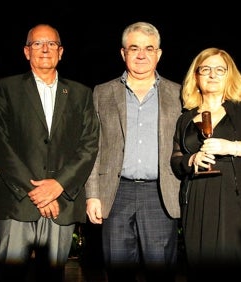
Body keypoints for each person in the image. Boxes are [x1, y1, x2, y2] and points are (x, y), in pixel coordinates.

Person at [0, 24, 99, 282]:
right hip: (18, 202)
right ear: (27, 52)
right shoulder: (6, 89)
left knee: (52, 276)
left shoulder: (81, 94)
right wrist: (38, 192)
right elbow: (0, 145)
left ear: (61, 52)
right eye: (37, 44)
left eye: (51, 44)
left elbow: (89, 143)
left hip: (61, 204)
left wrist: (58, 186)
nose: (45, 49)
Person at [85, 21, 182, 282]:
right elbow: (93, 146)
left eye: (149, 48)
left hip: (160, 193)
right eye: (134, 48)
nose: (141, 55)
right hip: (115, 195)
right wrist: (92, 194)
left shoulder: (179, 94)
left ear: (158, 54)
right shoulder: (103, 92)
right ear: (123, 53)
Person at [170, 47, 241, 281]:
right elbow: (176, 160)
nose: (212, 74)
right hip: (197, 198)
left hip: (238, 199)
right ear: (196, 76)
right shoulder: (185, 118)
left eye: (220, 69)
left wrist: (231, 147)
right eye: (205, 69)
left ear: (229, 74)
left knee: (236, 268)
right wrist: (192, 160)